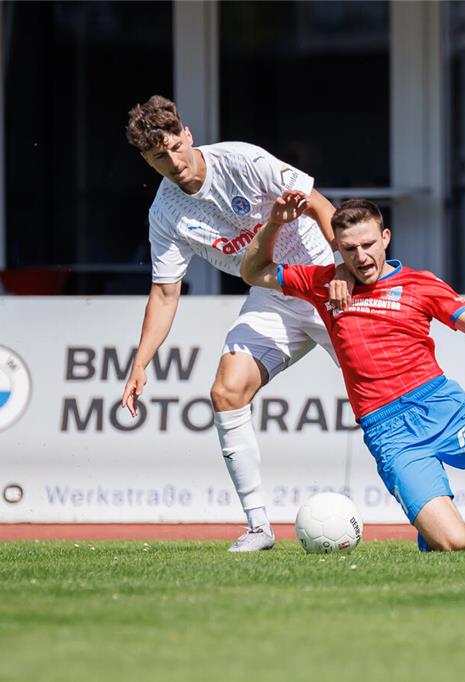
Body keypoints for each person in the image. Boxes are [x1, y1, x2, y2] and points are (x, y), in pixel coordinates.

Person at [242, 193, 465, 551]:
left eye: (368, 244)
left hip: (442, 405)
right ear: (337, 247)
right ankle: (432, 530)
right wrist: (274, 223)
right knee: (453, 542)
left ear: (386, 237)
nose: (362, 256)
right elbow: (252, 271)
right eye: (349, 249)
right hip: (389, 430)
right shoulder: (324, 283)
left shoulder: (421, 285)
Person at [121, 95, 343, 552]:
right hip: (272, 297)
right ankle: (259, 526)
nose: (172, 161)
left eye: (174, 147)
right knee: (226, 391)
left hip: (322, 281)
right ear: (146, 160)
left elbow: (319, 204)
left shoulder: (242, 160)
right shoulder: (165, 214)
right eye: (158, 157)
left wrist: (341, 268)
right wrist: (141, 361)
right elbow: (165, 294)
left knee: (390, 390)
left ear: (187, 135)